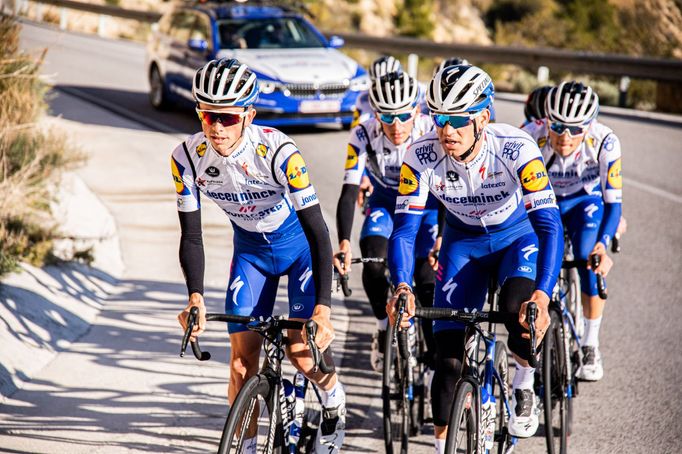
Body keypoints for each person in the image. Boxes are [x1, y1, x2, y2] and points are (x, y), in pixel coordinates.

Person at [386, 64, 563, 450]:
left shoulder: (517, 148)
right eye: (438, 118)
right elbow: (404, 230)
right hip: (462, 242)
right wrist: (401, 285)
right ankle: (441, 445)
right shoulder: (420, 157)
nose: (447, 130)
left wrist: (543, 296)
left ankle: (522, 383)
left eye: (457, 120)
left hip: (517, 238)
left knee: (521, 310)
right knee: (447, 363)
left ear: (483, 116)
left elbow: (549, 226)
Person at [172, 58, 345, 452]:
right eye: (208, 115)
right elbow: (192, 236)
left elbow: (319, 232)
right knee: (239, 364)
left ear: (249, 115)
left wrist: (323, 309)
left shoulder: (279, 152)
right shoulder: (186, 157)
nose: (216, 127)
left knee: (302, 354)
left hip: (300, 250)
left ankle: (334, 400)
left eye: (228, 118)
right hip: (251, 254)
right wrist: (195, 297)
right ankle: (247, 447)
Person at [334, 71, 438, 372]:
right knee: (374, 262)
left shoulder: (430, 130)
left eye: (403, 116)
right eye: (386, 116)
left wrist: (443, 233)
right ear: (374, 112)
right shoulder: (362, 134)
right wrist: (343, 240)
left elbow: (448, 191)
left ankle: (432, 359)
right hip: (386, 205)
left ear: (416, 111)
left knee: (426, 276)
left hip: (426, 207)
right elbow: (349, 189)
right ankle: (382, 327)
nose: (395, 126)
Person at [522, 81, 622, 381]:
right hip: (544, 202)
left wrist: (603, 244)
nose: (565, 137)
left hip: (585, 201)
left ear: (589, 126)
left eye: (576, 130)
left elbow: (613, 201)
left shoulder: (605, 141)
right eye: (559, 126)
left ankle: (591, 342)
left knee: (586, 256)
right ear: (545, 120)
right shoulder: (529, 136)